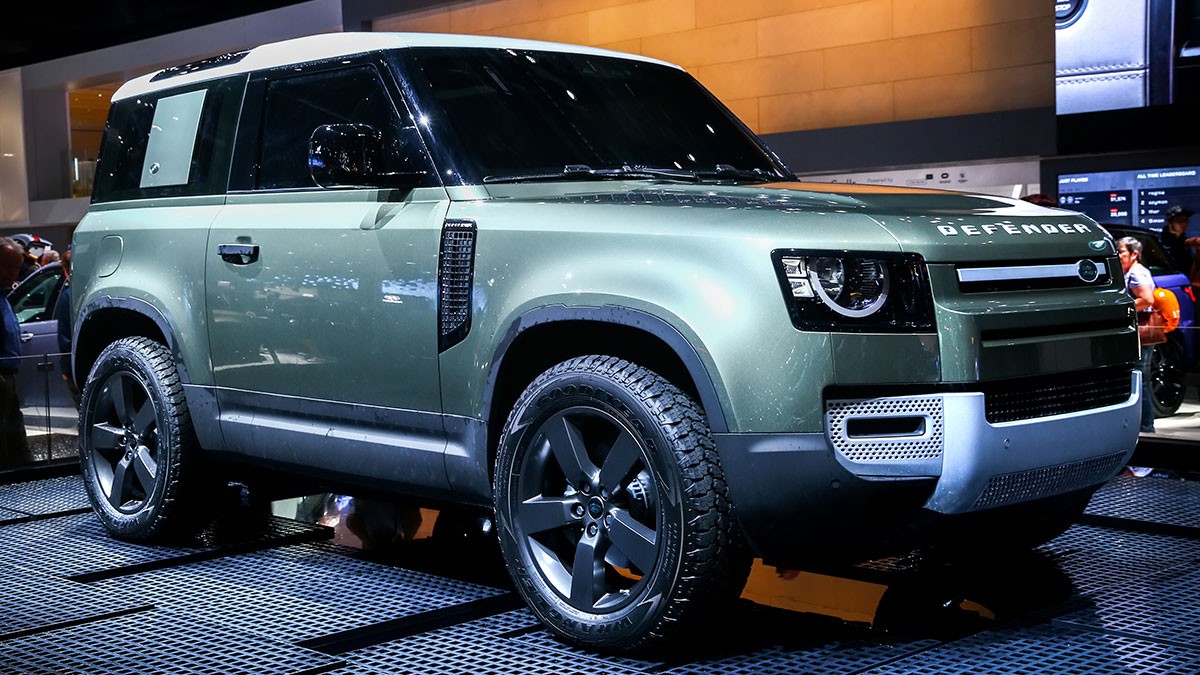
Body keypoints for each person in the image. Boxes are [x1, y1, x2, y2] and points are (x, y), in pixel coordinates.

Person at [1117, 236, 1157, 434]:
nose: (1118, 256)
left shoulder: (1137, 273)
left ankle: (1146, 427)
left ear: (1134, 254)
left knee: (1139, 379)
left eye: (1122, 252)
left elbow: (1146, 299)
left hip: (1140, 331)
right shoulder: (1131, 271)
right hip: (1136, 331)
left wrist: (1122, 310)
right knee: (1138, 378)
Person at [0, 237, 30, 463]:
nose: (12, 273)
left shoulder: (4, 297)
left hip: (9, 377)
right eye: (7, 267)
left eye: (16, 268)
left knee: (15, 435)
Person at [55, 246, 79, 405]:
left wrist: (66, 368)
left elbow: (65, 336)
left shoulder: (67, 297)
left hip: (76, 364)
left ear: (65, 269)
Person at [1157, 205, 1199, 278]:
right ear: (1169, 223)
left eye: (1186, 221)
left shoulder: (1185, 242)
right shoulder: (1159, 241)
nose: (1184, 224)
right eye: (1179, 221)